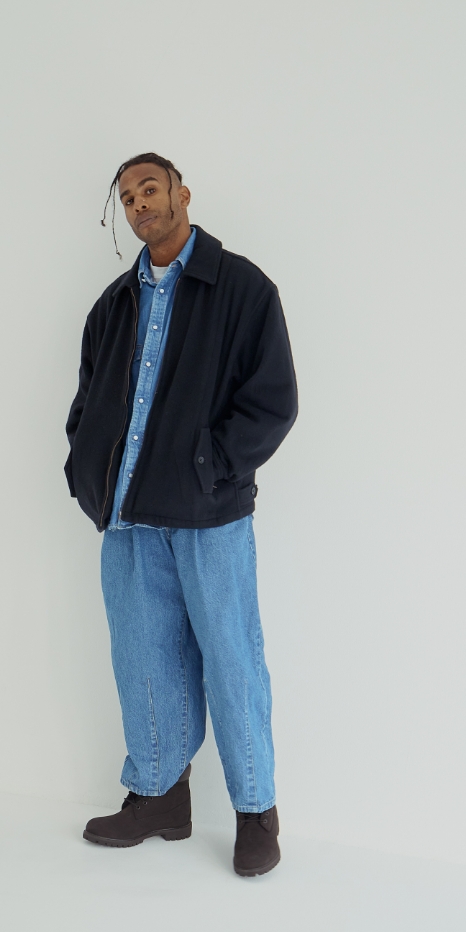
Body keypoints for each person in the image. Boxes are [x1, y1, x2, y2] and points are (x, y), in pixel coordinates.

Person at [64, 153, 297, 876]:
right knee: (143, 662)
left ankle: (256, 810)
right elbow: (86, 405)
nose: (140, 204)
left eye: (150, 189)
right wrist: (86, 475)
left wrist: (209, 467)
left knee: (231, 660)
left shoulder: (242, 289)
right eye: (128, 198)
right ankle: (160, 796)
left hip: (210, 516)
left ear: (182, 193)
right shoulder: (113, 305)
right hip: (128, 520)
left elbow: (273, 401)